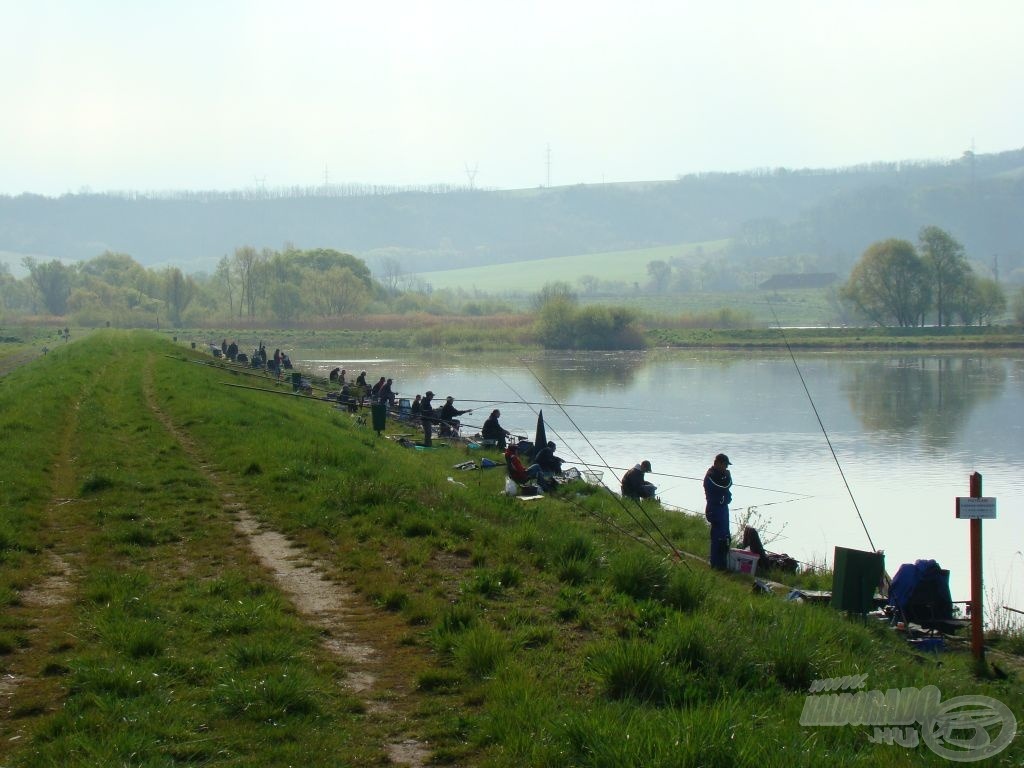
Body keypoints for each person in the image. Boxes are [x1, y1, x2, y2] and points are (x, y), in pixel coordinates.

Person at [704, 453, 733, 570]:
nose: (726, 468)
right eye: (725, 465)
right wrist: (728, 477)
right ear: (718, 463)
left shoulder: (722, 475)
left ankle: (722, 563)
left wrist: (727, 477)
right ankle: (715, 564)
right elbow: (723, 486)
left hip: (723, 509)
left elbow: (728, 485)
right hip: (714, 509)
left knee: (726, 536)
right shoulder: (710, 475)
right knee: (717, 537)